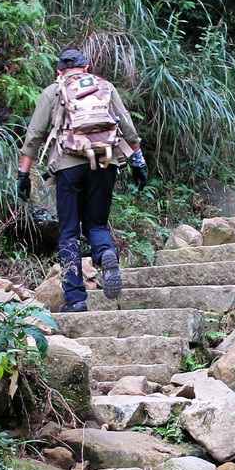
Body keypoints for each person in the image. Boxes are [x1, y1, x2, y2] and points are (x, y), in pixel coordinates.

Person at [16, 47, 148, 312]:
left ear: (60, 71)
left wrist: (23, 174)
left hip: (68, 166)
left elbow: (34, 136)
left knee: (68, 232)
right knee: (96, 223)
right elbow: (127, 127)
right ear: (85, 68)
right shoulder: (104, 86)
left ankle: (75, 298)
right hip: (105, 162)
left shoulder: (53, 91)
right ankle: (104, 253)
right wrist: (138, 161)